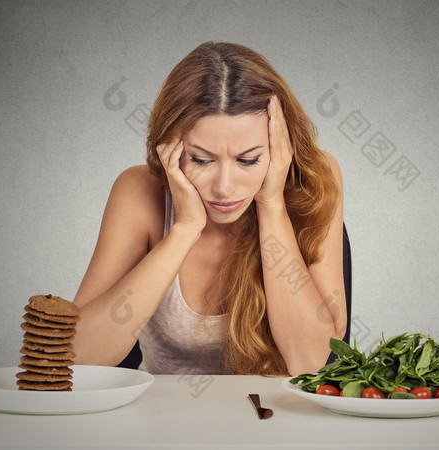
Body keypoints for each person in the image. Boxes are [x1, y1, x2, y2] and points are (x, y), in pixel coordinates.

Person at [73, 41, 346, 376]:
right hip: (163, 423)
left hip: (277, 421)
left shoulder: (316, 179)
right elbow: (77, 355)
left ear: (280, 147)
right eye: (202, 160)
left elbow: (313, 362)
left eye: (249, 160)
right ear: (169, 146)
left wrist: (271, 206)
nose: (225, 187)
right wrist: (185, 229)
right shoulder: (138, 191)